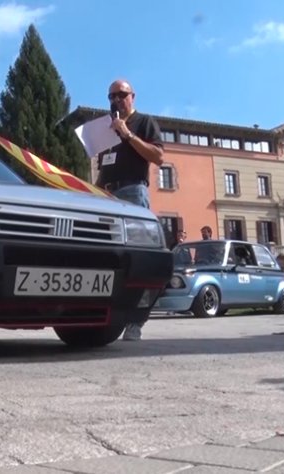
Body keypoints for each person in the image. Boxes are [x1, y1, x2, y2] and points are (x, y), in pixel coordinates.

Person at [95, 79, 164, 341]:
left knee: (138, 258)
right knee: (109, 259)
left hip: (133, 192)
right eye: (111, 96)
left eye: (120, 95)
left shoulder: (144, 122)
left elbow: (158, 157)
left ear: (132, 96)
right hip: (106, 196)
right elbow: (104, 167)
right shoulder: (105, 129)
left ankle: (136, 321)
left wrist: (127, 133)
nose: (115, 100)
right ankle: (108, 317)